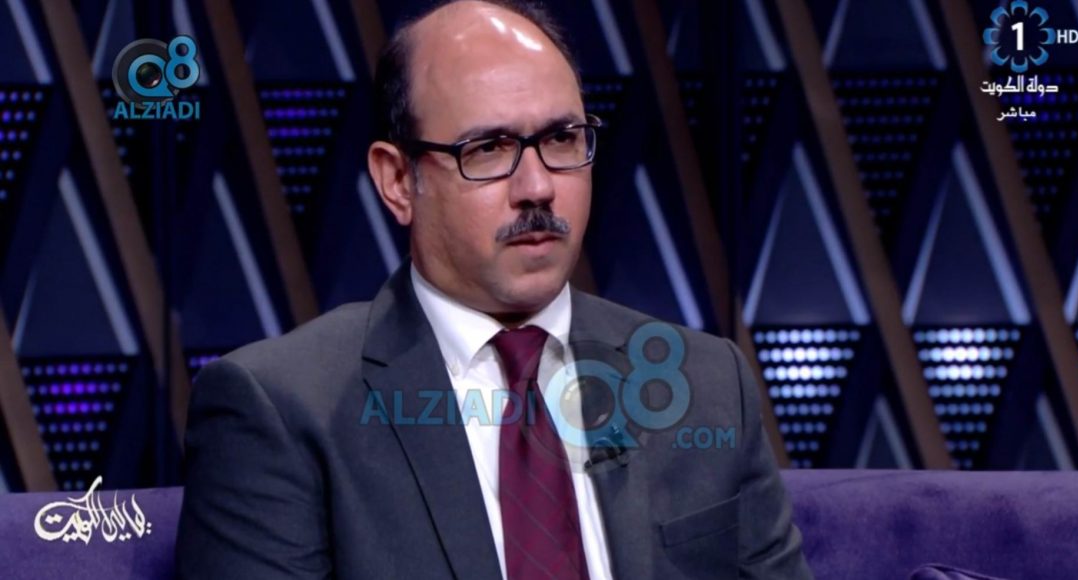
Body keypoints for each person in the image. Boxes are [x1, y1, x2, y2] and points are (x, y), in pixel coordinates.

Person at [175, 1, 811, 578]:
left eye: (561, 140)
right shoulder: (281, 409)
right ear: (397, 181)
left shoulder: (706, 383)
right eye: (488, 149)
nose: (538, 186)